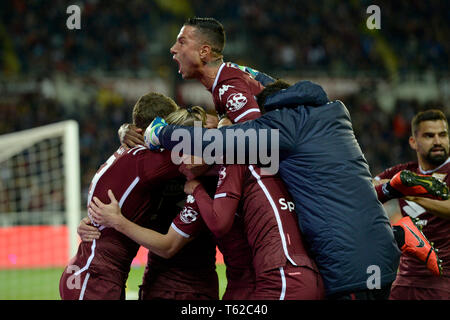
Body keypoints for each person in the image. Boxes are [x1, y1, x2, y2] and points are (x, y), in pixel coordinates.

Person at [145, 79, 401, 299]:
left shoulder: (279, 125)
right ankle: (403, 235)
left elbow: (216, 146)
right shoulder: (326, 118)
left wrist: (160, 133)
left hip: (330, 270)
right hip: (372, 257)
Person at [60, 93, 218, 300]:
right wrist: (116, 222)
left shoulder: (134, 158)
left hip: (95, 273)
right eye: (168, 127)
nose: (171, 133)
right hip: (95, 276)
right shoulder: (151, 162)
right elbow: (207, 148)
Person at [88, 107, 257, 300]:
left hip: (192, 291)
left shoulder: (207, 184)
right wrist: (93, 220)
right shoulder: (159, 173)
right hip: (160, 286)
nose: (211, 136)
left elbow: (168, 246)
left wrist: (118, 221)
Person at [374, 109, 450, 299]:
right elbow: (365, 189)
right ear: (413, 142)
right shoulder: (404, 171)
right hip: (405, 278)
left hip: (443, 278)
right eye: (429, 136)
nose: (438, 141)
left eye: (443, 135)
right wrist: (394, 186)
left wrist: (412, 194)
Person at [170, 17, 274, 124]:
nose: (173, 49)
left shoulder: (228, 86)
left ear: (204, 51)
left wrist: (218, 130)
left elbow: (256, 136)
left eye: (182, 42)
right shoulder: (228, 75)